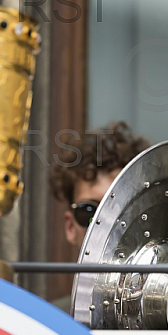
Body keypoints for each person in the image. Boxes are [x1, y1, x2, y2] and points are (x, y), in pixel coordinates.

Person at [48, 120, 150, 312]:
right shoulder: (47, 325)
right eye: (89, 211)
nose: (104, 226)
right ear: (70, 227)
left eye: (119, 210)